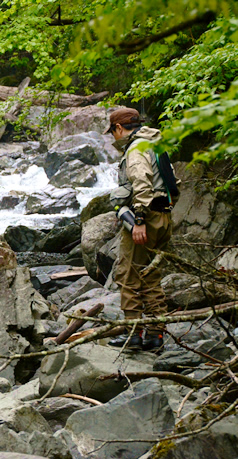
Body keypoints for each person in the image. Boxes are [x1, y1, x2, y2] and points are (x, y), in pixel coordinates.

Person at [105, 108, 177, 352]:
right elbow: (173, 185)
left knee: (128, 275)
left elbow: (142, 185)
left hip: (146, 218)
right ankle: (155, 335)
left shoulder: (135, 150)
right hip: (163, 216)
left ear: (119, 128)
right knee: (150, 275)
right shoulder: (155, 144)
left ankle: (133, 335)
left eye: (113, 132)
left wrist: (138, 220)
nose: (114, 138)